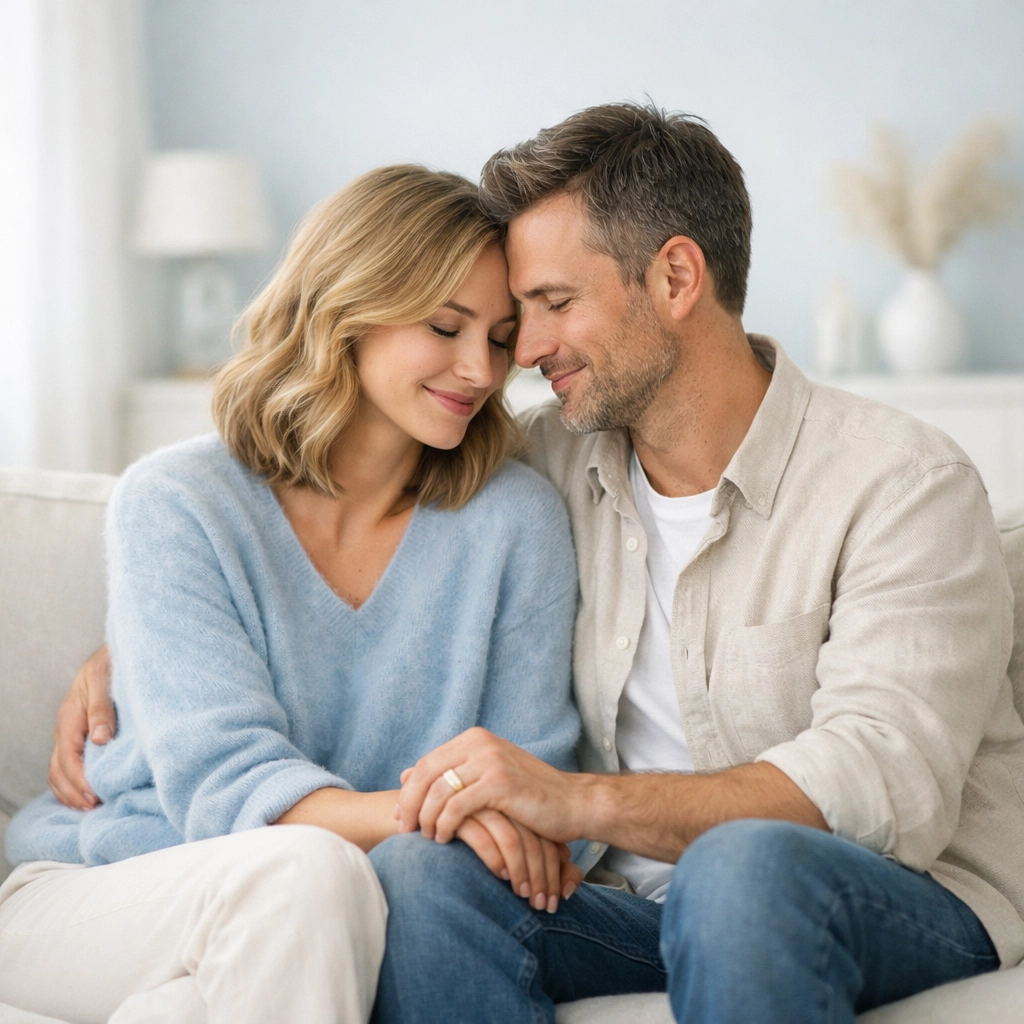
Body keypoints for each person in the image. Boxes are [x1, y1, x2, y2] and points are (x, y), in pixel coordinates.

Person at [46, 105, 1024, 1023]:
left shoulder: (899, 481)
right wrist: (127, 653)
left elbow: (882, 784)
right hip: (621, 905)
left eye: (547, 307)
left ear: (677, 280)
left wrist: (575, 799)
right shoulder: (546, 463)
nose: (517, 357)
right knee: (422, 872)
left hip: (879, 894)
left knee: (741, 869)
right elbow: (309, 525)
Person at [0, 165, 583, 1024]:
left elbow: (533, 783)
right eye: (445, 326)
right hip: (103, 887)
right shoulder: (177, 502)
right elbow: (227, 793)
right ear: (347, 307)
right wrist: (436, 820)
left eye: (500, 338)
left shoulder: (514, 523)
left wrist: (490, 819)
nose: (480, 369)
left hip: (324, 920)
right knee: (309, 868)